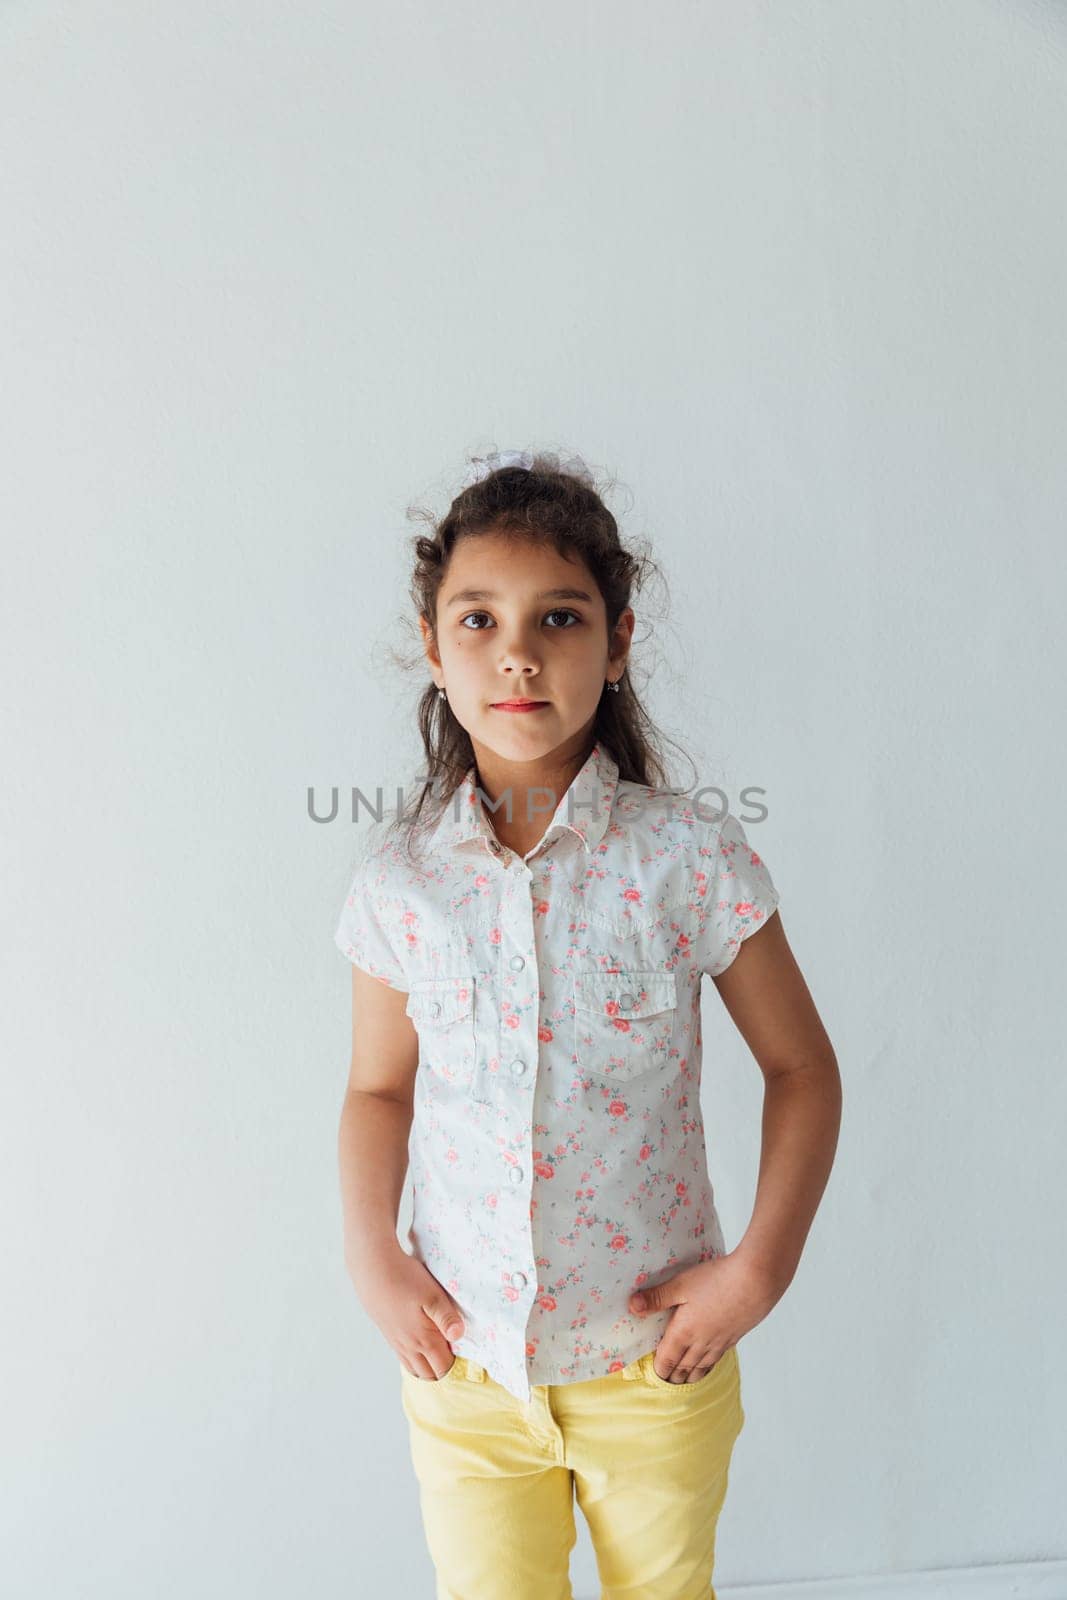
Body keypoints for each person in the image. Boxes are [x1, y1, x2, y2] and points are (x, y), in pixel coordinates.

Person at [334, 448, 841, 1600]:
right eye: (478, 618)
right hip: (465, 1374)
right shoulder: (400, 882)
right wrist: (372, 1255)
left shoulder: (686, 856)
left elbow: (801, 1066)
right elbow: (375, 1091)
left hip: (652, 1365)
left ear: (614, 643)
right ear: (433, 645)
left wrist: (756, 1270)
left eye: (557, 617)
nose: (516, 650)